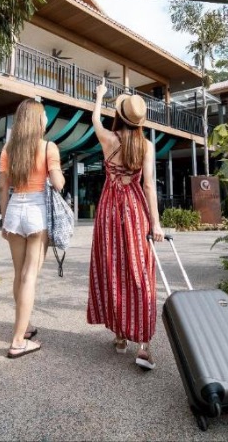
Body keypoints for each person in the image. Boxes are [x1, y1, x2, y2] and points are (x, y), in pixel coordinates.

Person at [87, 79, 165, 370]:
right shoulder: (146, 146)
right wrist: (155, 223)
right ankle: (143, 345)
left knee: (113, 268)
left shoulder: (107, 139)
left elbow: (94, 117)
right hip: (134, 210)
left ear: (119, 115)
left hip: (108, 209)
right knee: (139, 271)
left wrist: (100, 96)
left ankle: (120, 336)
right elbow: (148, 187)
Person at [0, 99, 65, 358]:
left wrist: (5, 221)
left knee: (19, 274)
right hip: (37, 211)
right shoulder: (49, 147)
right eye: (44, 116)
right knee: (30, 276)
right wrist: (56, 170)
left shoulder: (8, 150)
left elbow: (4, 188)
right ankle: (17, 341)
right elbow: (58, 184)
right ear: (38, 121)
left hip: (15, 208)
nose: (46, 120)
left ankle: (24, 327)